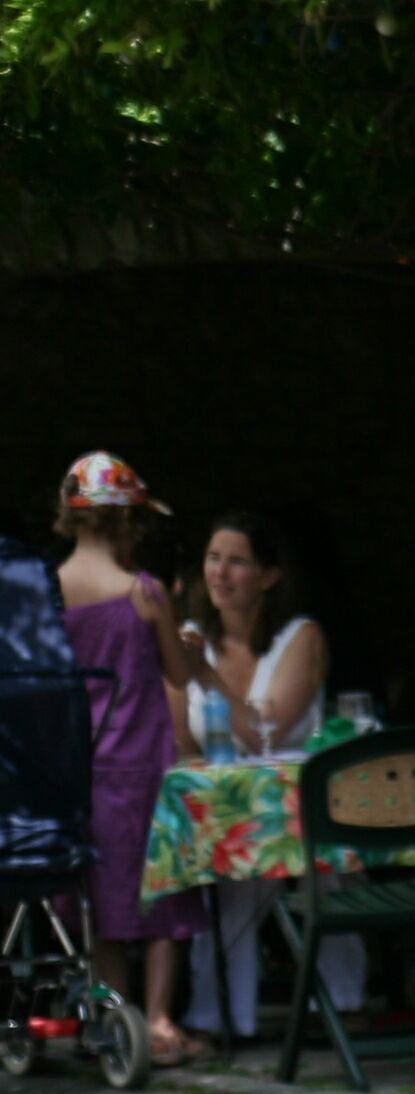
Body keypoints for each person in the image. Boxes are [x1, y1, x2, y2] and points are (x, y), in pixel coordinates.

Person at [180, 508, 361, 1039]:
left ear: (269, 576)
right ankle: (222, 1017)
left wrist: (206, 677)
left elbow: (270, 732)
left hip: (302, 809)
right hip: (225, 810)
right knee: (229, 869)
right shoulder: (192, 635)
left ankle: (340, 1005)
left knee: (312, 867)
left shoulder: (300, 636)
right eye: (213, 558)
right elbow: (177, 736)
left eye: (237, 562)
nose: (219, 572)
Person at [51, 452, 207, 1063]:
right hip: (144, 766)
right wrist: (190, 647)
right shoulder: (144, 593)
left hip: (81, 772)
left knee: (102, 901)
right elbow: (176, 671)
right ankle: (162, 1021)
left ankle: (112, 1021)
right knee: (163, 900)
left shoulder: (49, 593)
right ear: (125, 524)